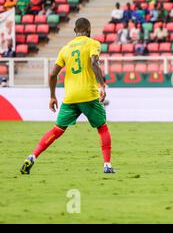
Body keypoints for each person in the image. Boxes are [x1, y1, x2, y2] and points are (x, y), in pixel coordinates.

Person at [20, 18, 114, 174]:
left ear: (75, 31)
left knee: (56, 130)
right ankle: (107, 165)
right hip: (88, 95)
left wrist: (52, 96)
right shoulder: (93, 43)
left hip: (70, 97)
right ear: (89, 30)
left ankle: (32, 157)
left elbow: (52, 74)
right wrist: (102, 85)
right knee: (102, 128)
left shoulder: (65, 49)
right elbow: (94, 63)